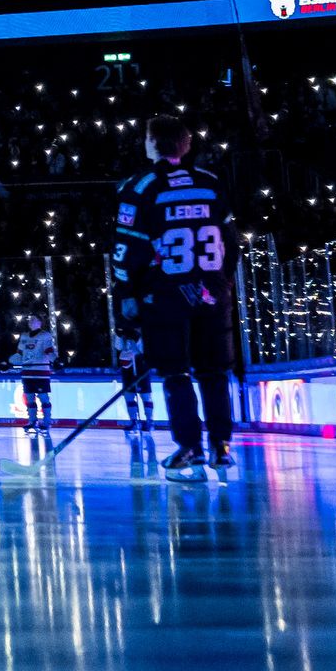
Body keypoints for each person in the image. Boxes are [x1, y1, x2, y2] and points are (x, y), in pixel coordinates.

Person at [111, 116, 236, 480]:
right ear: (186, 143)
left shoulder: (139, 186)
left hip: (165, 295)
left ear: (151, 145)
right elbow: (230, 241)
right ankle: (221, 447)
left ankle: (190, 448)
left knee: (176, 372)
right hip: (212, 292)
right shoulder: (211, 183)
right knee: (214, 372)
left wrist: (126, 293)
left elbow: (125, 248)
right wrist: (221, 281)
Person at [112, 292, 153, 442]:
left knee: (145, 394)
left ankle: (149, 421)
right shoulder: (122, 328)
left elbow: (146, 347)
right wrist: (118, 333)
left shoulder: (141, 327)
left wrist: (137, 338)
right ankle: (133, 421)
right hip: (127, 364)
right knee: (129, 394)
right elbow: (118, 346)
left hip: (140, 363)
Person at [11, 313, 58, 436]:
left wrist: (56, 360)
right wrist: (7, 362)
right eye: (29, 319)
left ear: (40, 322)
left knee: (43, 397)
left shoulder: (45, 335)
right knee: (29, 398)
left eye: (34, 319)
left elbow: (49, 351)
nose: (30, 321)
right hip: (27, 372)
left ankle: (47, 422)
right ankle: (32, 421)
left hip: (41, 371)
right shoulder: (24, 336)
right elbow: (19, 354)